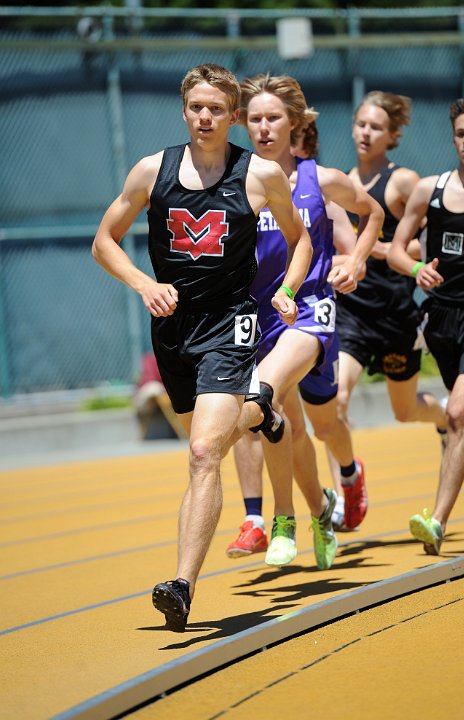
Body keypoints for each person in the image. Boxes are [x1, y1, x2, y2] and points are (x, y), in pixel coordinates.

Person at [92, 63, 313, 632]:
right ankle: (260, 408)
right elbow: (104, 241)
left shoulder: (260, 175)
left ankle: (182, 586)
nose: (206, 117)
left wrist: (287, 290)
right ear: (184, 109)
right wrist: (144, 284)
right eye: (197, 107)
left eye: (217, 108)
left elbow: (300, 239)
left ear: (233, 116)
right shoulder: (151, 171)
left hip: (230, 324)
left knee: (201, 452)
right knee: (203, 449)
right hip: (172, 329)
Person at [226, 74, 383, 569]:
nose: (265, 127)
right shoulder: (237, 182)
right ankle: (301, 517)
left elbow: (372, 212)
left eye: (274, 118)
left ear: (294, 122)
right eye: (255, 119)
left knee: (324, 421)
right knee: (284, 425)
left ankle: (349, 472)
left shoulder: (321, 178)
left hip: (311, 309)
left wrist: (355, 259)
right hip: (261, 317)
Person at [329, 90, 448, 530]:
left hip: (396, 314)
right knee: (333, 400)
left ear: (392, 135)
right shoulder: (340, 182)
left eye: (376, 127)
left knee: (405, 410)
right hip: (353, 313)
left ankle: (445, 418)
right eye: (361, 123)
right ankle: (346, 490)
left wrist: (378, 249)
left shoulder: (402, 183)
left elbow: (429, 242)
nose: (365, 132)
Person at [388, 96, 464, 555]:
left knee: (456, 413)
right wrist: (415, 271)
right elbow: (396, 249)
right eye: (461, 134)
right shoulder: (428, 189)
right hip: (441, 319)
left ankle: (437, 520)